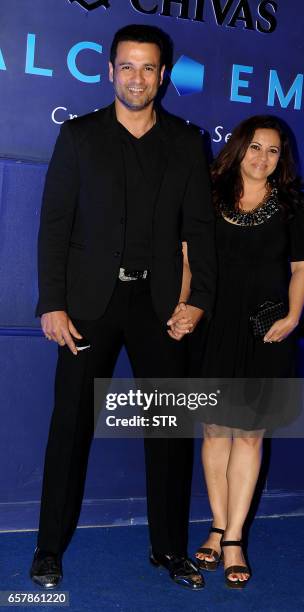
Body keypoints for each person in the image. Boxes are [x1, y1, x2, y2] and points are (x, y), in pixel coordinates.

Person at [30, 24, 216, 590]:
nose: (138, 78)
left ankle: (168, 549)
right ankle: (48, 549)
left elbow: (200, 229)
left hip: (159, 306)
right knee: (70, 428)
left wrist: (200, 299)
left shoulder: (186, 142)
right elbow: (54, 225)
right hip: (88, 305)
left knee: (167, 430)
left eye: (149, 68)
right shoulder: (80, 137)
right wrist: (53, 303)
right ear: (110, 71)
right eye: (128, 67)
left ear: (164, 75)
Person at [192, 116, 304, 588]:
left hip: (268, 329)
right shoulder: (209, 195)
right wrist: (186, 307)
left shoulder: (292, 206)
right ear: (239, 147)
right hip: (215, 326)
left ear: (282, 159)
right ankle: (217, 525)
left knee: (248, 433)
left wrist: (292, 317)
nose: (263, 158)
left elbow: (301, 268)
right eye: (256, 147)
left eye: (274, 151)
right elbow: (188, 255)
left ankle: (235, 538)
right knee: (215, 430)